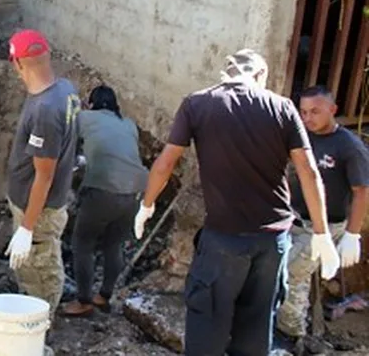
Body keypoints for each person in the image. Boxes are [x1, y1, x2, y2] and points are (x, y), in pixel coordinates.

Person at [134, 49, 341, 355]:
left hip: (224, 241)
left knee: (207, 331)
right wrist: (323, 234)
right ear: (260, 76)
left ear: (226, 74)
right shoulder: (282, 107)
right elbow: (309, 172)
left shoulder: (198, 103)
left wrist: (146, 205)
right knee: (256, 332)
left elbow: (165, 164)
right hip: (272, 244)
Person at [276, 85, 369, 351]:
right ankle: (288, 324)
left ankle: (291, 334)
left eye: (315, 111)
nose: (307, 118)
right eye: (303, 112)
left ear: (333, 110)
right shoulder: (301, 136)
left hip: (327, 228)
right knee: (285, 272)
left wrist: (352, 234)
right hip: (294, 219)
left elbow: (362, 191)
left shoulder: (349, 146)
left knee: (292, 274)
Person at [4, 29, 79, 314]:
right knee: (31, 264)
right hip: (34, 205)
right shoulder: (65, 89)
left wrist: (26, 228)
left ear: (18, 64)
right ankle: (28, 302)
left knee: (41, 267)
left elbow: (44, 176)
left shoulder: (45, 109)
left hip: (40, 210)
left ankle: (40, 321)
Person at [60, 85, 148, 317]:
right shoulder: (128, 124)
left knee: (83, 244)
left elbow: (65, 140)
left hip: (103, 190)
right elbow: (118, 152)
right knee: (113, 244)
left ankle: (83, 301)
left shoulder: (84, 118)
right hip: (134, 193)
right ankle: (104, 296)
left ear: (91, 103)